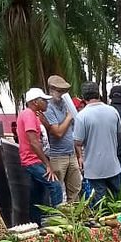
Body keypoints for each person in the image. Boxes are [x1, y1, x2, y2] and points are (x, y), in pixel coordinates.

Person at [73, 81, 121, 205]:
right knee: (119, 200)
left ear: (84, 97)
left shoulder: (82, 116)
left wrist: (80, 157)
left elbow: (78, 142)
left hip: (93, 169)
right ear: (99, 94)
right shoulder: (113, 111)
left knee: (100, 204)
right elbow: (120, 134)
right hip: (113, 165)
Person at [16, 87, 62, 224]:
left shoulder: (30, 114)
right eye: (44, 101)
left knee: (37, 194)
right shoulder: (29, 115)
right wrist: (47, 165)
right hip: (32, 161)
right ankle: (59, 221)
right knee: (55, 186)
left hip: (32, 160)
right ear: (35, 102)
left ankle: (35, 224)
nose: (47, 103)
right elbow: (33, 142)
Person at [40, 75, 82, 203]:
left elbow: (75, 132)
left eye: (63, 91)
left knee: (75, 189)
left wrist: (79, 155)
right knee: (57, 191)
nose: (62, 93)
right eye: (59, 90)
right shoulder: (49, 107)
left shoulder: (66, 104)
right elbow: (57, 132)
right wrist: (69, 117)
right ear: (51, 90)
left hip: (71, 154)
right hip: (57, 156)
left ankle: (75, 218)